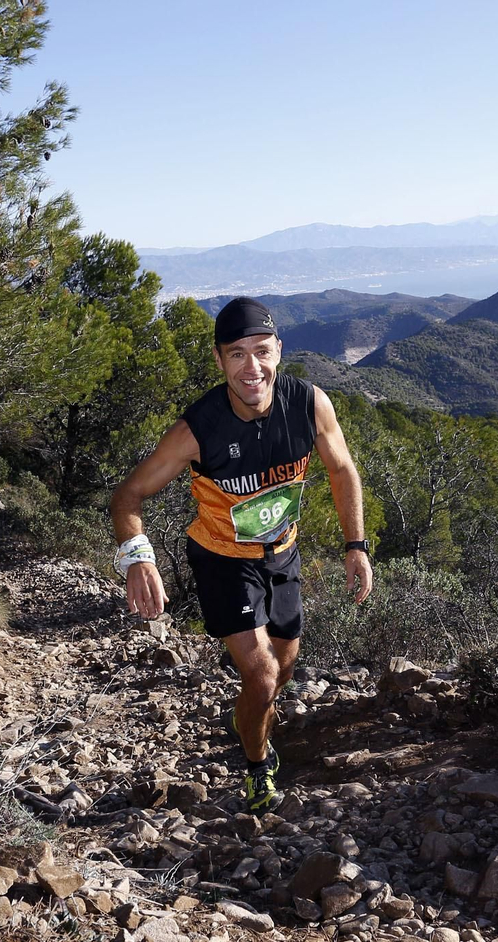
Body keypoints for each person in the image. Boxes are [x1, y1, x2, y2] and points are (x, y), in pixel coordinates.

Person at [110, 297, 373, 814]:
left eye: (261, 351)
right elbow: (127, 496)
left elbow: (342, 470)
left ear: (279, 350)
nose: (251, 368)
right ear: (218, 360)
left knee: (284, 666)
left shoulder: (310, 404)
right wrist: (138, 559)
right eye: (236, 355)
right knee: (261, 674)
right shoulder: (198, 429)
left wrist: (356, 545)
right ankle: (257, 765)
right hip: (221, 559)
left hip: (283, 553)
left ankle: (252, 721)